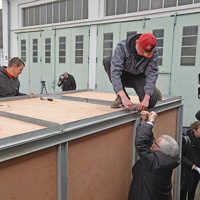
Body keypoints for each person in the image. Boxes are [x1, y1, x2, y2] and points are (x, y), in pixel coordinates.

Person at [128, 111, 180, 200]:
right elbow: (148, 142)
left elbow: (141, 144)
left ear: (160, 150)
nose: (152, 144)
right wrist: (144, 122)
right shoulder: (165, 160)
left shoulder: (155, 164)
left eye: (155, 144)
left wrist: (151, 122)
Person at [103, 32, 160, 111]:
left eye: (148, 53)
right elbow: (115, 72)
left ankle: (151, 89)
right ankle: (120, 97)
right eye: (143, 51)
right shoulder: (122, 47)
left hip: (139, 77)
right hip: (124, 76)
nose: (145, 55)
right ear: (137, 42)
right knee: (108, 61)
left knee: (151, 102)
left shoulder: (154, 51)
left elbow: (152, 72)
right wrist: (123, 96)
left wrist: (147, 96)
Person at [180, 121, 200, 200]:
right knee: (183, 192)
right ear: (194, 130)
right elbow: (180, 155)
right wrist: (192, 165)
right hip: (186, 172)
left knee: (192, 193)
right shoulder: (186, 139)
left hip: (196, 172)